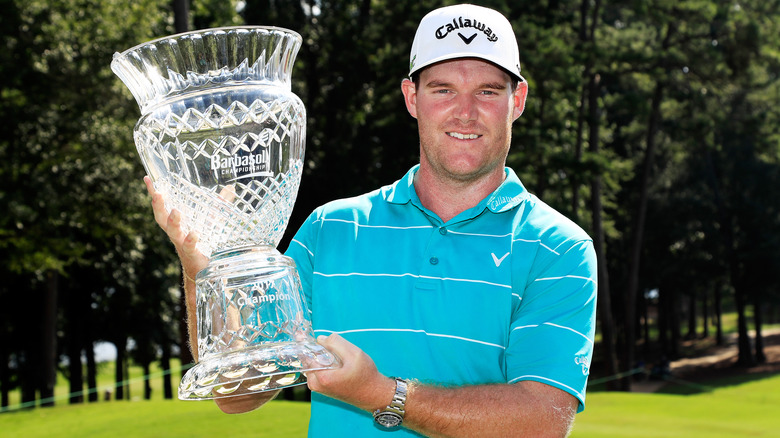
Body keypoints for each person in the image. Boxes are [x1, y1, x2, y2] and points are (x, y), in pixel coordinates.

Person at [146, 4, 597, 437]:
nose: (465, 112)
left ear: (516, 100)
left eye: (487, 91)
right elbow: (236, 395)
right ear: (412, 98)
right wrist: (203, 267)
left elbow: (540, 422)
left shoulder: (558, 247)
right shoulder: (331, 230)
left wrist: (380, 394)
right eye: (442, 89)